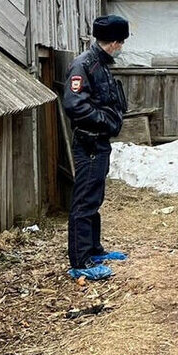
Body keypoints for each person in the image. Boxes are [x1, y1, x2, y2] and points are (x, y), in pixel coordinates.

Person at [62, 15, 131, 282]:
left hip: (99, 142)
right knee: (85, 201)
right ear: (115, 42)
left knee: (95, 197)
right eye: (121, 41)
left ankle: (94, 250)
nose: (122, 46)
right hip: (89, 141)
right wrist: (105, 122)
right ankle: (80, 261)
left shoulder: (100, 63)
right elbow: (74, 105)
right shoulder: (85, 65)